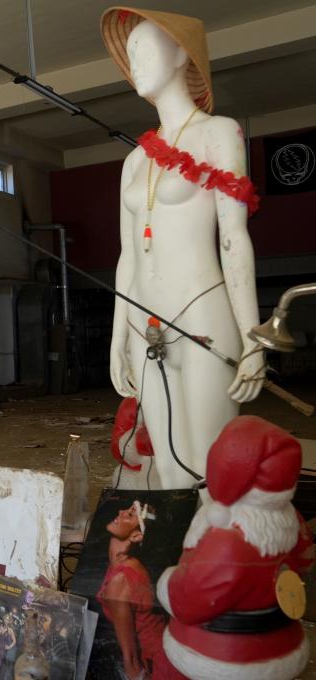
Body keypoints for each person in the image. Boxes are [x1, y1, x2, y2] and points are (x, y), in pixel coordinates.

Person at [101, 8, 265, 489]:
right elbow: (127, 257)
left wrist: (252, 336)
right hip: (141, 320)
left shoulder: (219, 133)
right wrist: (117, 338)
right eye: (129, 53)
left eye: (145, 46)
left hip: (202, 314)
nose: (134, 60)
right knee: (169, 467)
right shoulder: (133, 161)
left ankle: (215, 558)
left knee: (211, 462)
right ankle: (175, 561)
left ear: (180, 54)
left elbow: (235, 238)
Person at [157, 416, 313, 679]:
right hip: (283, 643)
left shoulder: (228, 542)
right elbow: (305, 564)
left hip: (218, 655)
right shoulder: (291, 520)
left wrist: (166, 581)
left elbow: (188, 602)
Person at [96, 500, 167, 679]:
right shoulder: (121, 564)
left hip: (154, 664)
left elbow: (132, 660)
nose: (121, 512)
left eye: (130, 515)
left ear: (136, 536)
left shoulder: (122, 579)